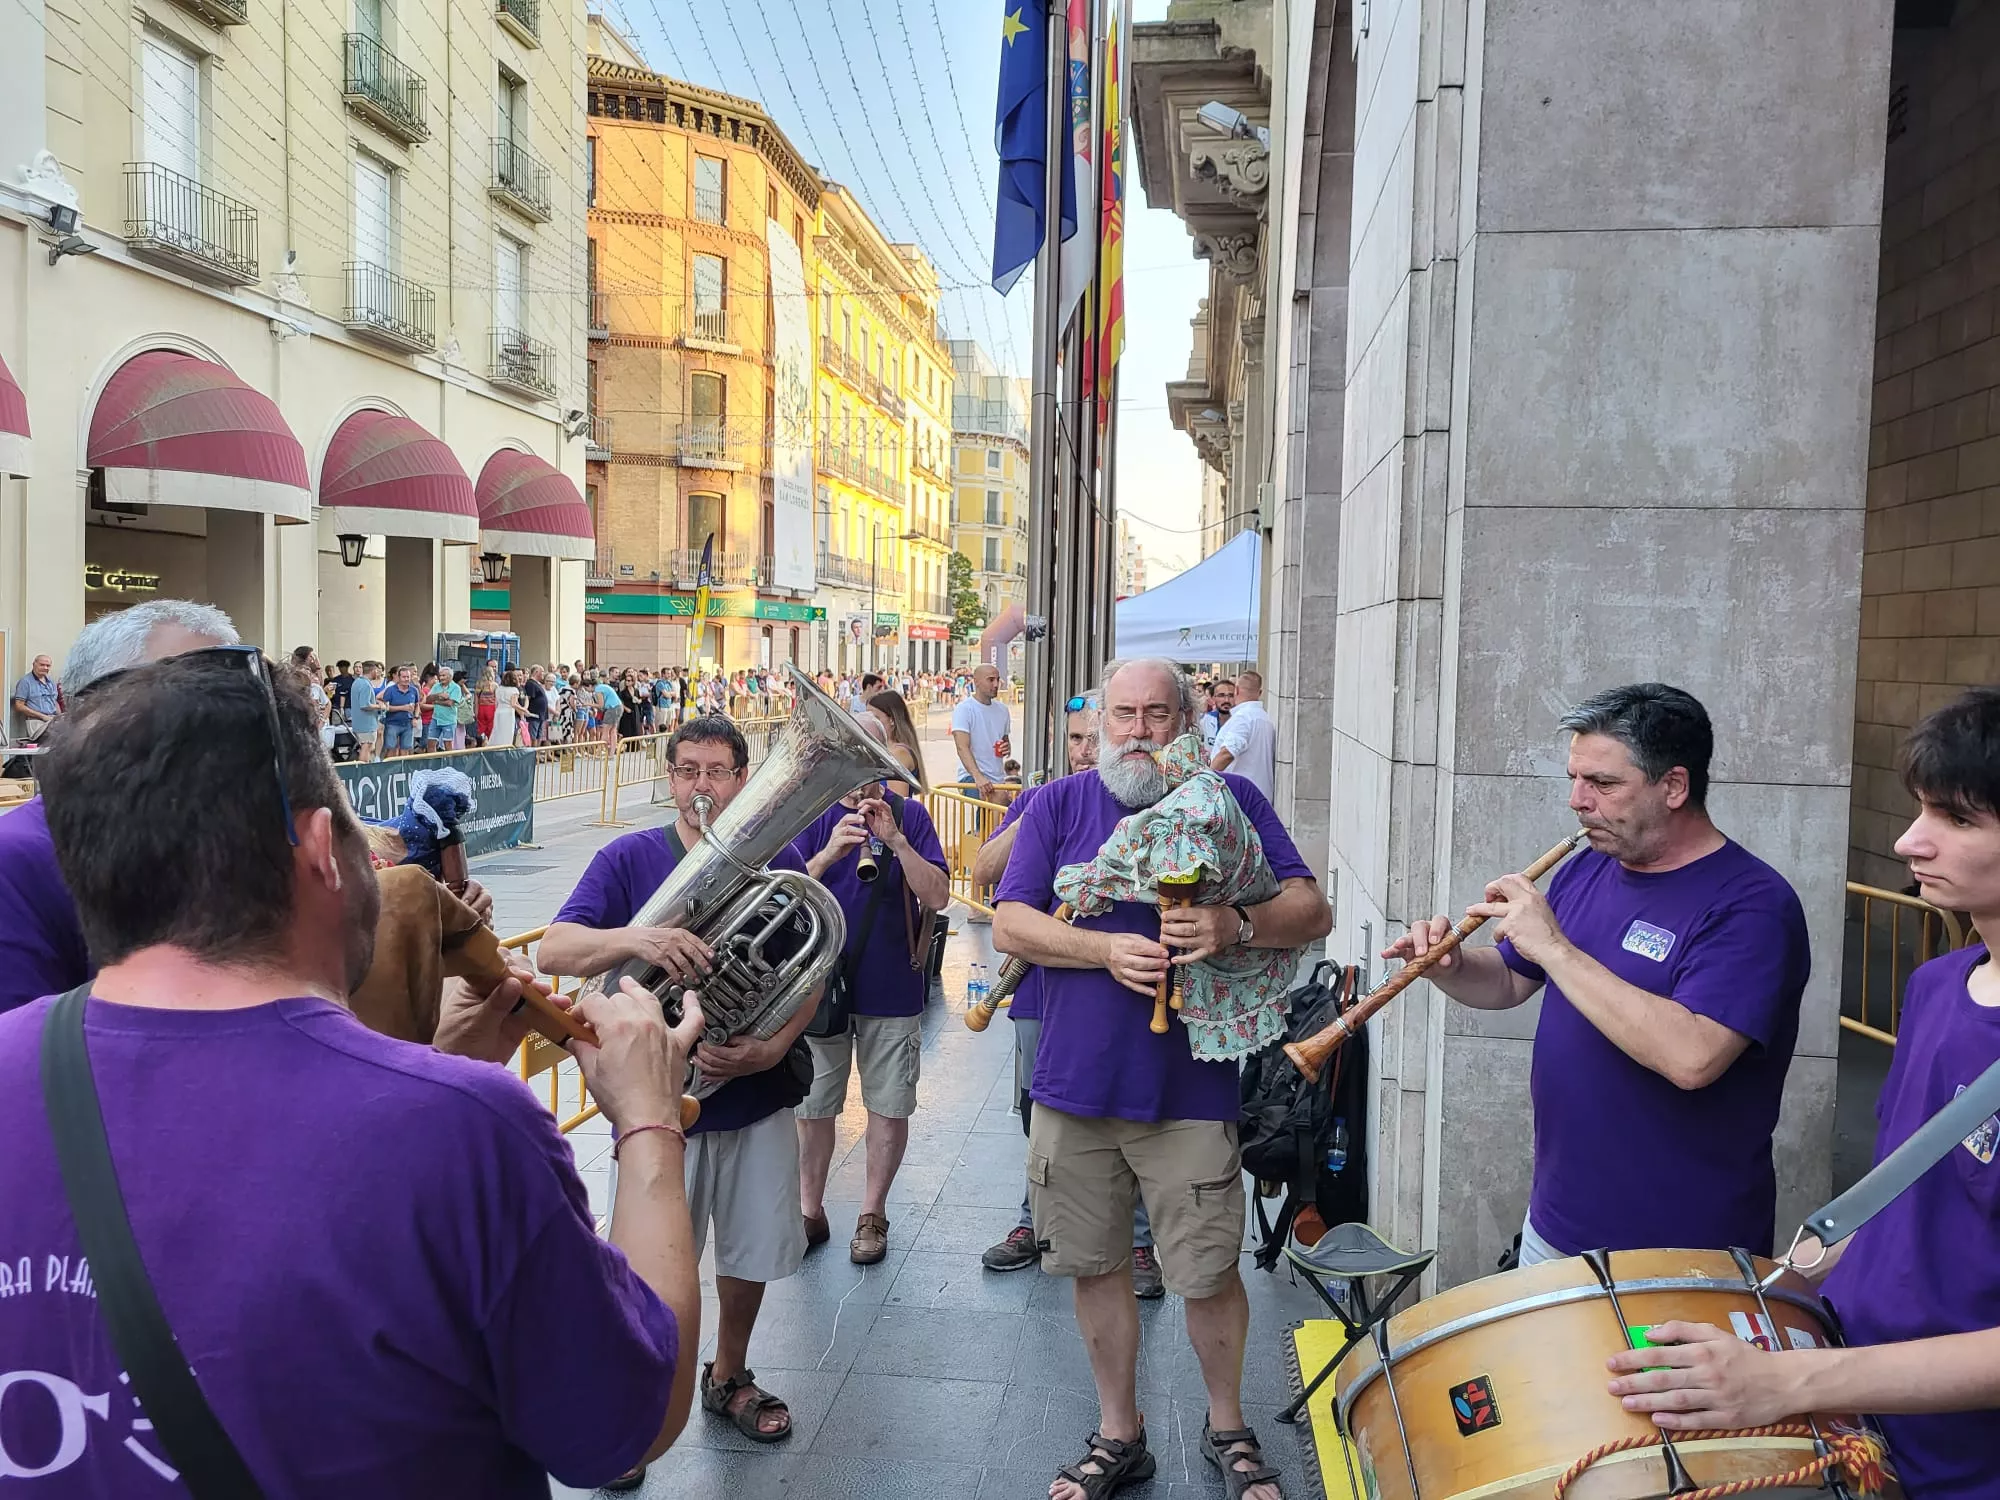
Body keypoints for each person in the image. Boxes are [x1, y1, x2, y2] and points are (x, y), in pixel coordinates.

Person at [0, 646, 704, 1494]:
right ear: (320, 849)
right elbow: (628, 1420)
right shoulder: (466, 1132)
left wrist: (425, 1073)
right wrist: (650, 1122)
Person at [1603, 687, 2000, 1498]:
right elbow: (1905, 1197)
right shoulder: (1935, 986)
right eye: (1920, 809)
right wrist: (1782, 1290)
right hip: (1859, 1426)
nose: (1909, 840)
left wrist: (1784, 1383)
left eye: (1958, 820)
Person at [993, 657, 1328, 1500]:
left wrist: (1233, 923)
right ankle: (1119, 1433)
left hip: (1191, 1090)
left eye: (1156, 714)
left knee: (1208, 1273)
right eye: (1123, 714)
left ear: (1186, 721)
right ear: (1102, 722)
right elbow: (1010, 923)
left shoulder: (1229, 800)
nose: (1138, 731)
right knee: (1094, 1265)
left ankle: (1228, 1427)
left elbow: (1310, 910)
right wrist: (1102, 948)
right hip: (1073, 1086)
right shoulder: (1059, 804)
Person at [1384, 683, 1809, 1264]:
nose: (1577, 801)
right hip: (1556, 1222)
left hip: (1681, 1249)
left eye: (1603, 784)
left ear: (1674, 786)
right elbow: (1509, 980)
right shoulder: (1588, 867)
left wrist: (1555, 947)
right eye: (1575, 779)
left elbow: (1693, 1057)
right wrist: (1450, 967)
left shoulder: (1752, 905)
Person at [539, 716, 816, 1463]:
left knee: (750, 1250)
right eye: (687, 769)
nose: (701, 785)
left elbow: (813, 970)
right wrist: (641, 938)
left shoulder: (778, 857)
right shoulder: (629, 856)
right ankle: (634, 1409)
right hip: (653, 1105)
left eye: (717, 771)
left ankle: (729, 1375)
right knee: (644, 1261)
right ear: (669, 778)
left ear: (742, 780)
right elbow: (555, 948)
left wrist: (770, 1048)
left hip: (752, 1093)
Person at [974, 699, 1164, 1298]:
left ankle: (1137, 1238)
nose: (1085, 751)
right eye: (1077, 740)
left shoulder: (1148, 805)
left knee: (1130, 1112)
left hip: (1127, 995)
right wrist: (1036, 815)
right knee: (1043, 1115)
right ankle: (1034, 1219)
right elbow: (983, 871)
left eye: (1093, 739)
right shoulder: (1047, 801)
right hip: (1040, 991)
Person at [0, 600, 239, 1016]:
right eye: (190, 692)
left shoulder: (247, 837)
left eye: (238, 692)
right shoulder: (16, 859)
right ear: (89, 710)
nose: (228, 717)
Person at [790, 749, 950, 1265]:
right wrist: (828, 854)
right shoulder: (813, 816)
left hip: (892, 984)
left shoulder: (910, 816)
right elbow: (782, 894)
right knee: (814, 1107)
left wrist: (897, 842)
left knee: (888, 1103)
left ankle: (872, 1213)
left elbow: (939, 896)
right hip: (818, 985)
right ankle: (809, 1209)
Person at [1208, 671, 1274, 798]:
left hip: (1240, 797)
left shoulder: (1243, 718)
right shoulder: (1265, 718)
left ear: (1236, 690)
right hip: (1259, 794)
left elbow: (1227, 754)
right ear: (1260, 692)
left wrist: (1205, 779)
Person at [951, 662, 1012, 799]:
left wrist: (1006, 748)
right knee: (997, 802)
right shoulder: (964, 709)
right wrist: (977, 776)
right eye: (990, 680)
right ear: (976, 682)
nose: (996, 684)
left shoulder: (1003, 710)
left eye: (997, 680)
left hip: (997, 777)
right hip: (971, 776)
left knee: (1005, 805)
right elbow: (962, 747)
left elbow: (1005, 740)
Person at [865, 688, 924, 786]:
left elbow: (896, 794)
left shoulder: (899, 754)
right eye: (867, 717)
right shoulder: (880, 749)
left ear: (892, 720)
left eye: (875, 718)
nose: (870, 722)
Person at [11, 652, 59, 741]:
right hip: (36, 722)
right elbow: (19, 705)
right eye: (42, 665)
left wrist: (60, 717)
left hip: (52, 720)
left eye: (48, 666)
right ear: (34, 665)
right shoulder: (25, 682)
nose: (45, 668)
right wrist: (43, 717)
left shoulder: (51, 682)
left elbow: (54, 701)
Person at [379, 663, 421, 758]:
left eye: (408, 677)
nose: (406, 679)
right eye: (404, 677)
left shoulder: (414, 690)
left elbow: (417, 705)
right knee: (391, 749)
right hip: (392, 723)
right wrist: (403, 707)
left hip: (408, 723)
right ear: (398, 678)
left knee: (405, 749)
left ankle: (403, 767)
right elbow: (386, 708)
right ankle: (390, 767)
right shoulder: (390, 690)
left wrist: (415, 718)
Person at [349, 659, 382, 762]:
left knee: (367, 747)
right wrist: (379, 706)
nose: (378, 673)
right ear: (373, 671)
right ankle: (364, 769)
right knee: (367, 746)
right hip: (366, 723)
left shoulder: (357, 682)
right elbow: (365, 705)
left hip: (359, 722)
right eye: (377, 671)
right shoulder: (365, 685)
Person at [292, 644, 330, 727]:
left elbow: (319, 686)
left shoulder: (310, 672)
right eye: (310, 656)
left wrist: (318, 667)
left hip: (317, 714)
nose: (312, 659)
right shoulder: (300, 673)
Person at [1198, 679, 1235, 755]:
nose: (1226, 700)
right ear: (1213, 698)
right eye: (1221, 695)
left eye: (1231, 696)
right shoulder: (1206, 720)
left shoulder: (1243, 722)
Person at [493, 668, 522, 749]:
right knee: (507, 733)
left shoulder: (499, 689)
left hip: (499, 711)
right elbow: (514, 704)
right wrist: (523, 710)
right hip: (508, 712)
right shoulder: (514, 690)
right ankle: (505, 748)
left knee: (497, 731)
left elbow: (496, 703)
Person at [523, 664, 551, 745]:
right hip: (534, 715)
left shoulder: (538, 684)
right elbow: (528, 698)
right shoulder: (531, 684)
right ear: (536, 672)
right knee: (533, 736)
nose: (543, 674)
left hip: (541, 715)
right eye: (542, 672)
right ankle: (533, 751)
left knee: (539, 736)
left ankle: (537, 751)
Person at [474, 663, 499, 746]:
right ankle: (489, 744)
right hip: (491, 708)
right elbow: (497, 700)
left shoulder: (478, 684)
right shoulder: (495, 685)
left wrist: (476, 711)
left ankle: (482, 743)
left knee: (481, 728)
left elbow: (476, 701)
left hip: (481, 708)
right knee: (490, 728)